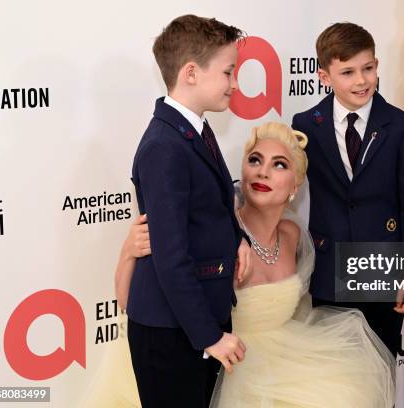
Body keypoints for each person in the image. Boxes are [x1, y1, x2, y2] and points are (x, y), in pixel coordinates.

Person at [117, 122, 397, 407]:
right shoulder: (215, 231)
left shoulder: (293, 235)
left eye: (279, 165)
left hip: (284, 358)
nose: (263, 171)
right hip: (225, 361)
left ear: (295, 186)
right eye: (255, 160)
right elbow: (130, 300)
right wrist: (128, 252)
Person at [124, 15, 252, 407]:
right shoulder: (164, 145)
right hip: (169, 330)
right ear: (191, 73)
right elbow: (171, 256)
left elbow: (213, 205)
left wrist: (239, 239)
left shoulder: (196, 129)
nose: (235, 83)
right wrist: (210, 336)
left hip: (192, 321)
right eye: (228, 72)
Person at [291, 22, 404, 359]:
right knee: (334, 369)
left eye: (368, 68)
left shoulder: (400, 125)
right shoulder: (305, 124)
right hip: (329, 267)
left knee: (380, 362)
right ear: (324, 77)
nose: (361, 80)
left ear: (377, 65)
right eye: (348, 72)